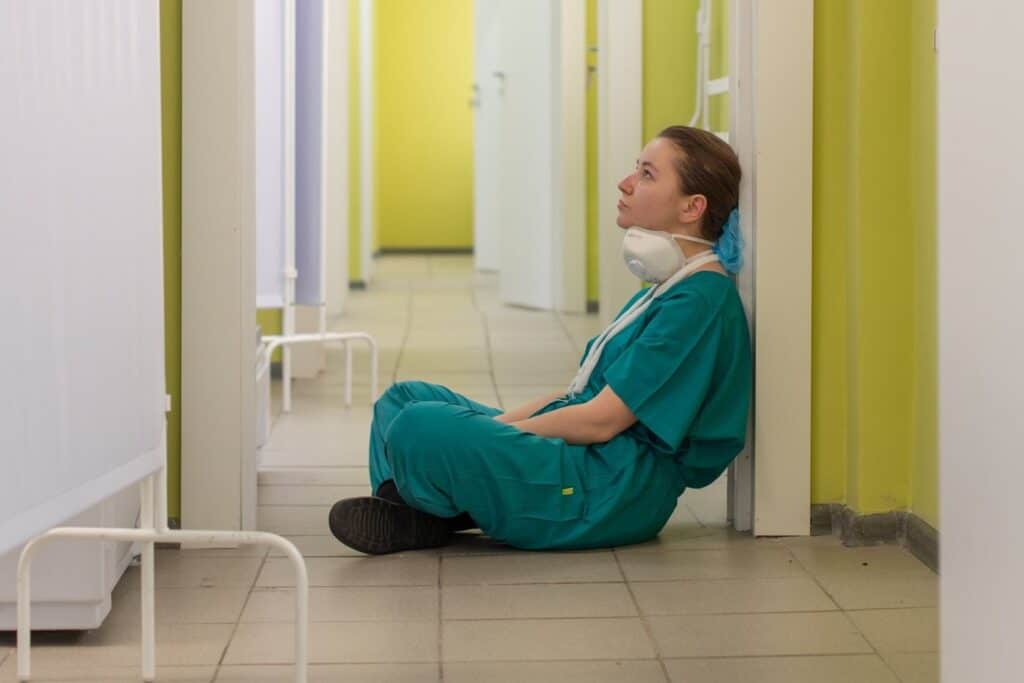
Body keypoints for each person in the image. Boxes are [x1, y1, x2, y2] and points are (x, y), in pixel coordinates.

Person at [328, 125, 752, 554]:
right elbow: (577, 395)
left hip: (609, 490)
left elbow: (600, 421)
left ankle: (421, 511)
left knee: (418, 427)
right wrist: (489, 435)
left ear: (692, 207)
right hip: (587, 463)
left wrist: (496, 440)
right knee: (401, 401)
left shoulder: (699, 302)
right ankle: (428, 515)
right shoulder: (670, 287)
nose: (625, 183)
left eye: (646, 174)